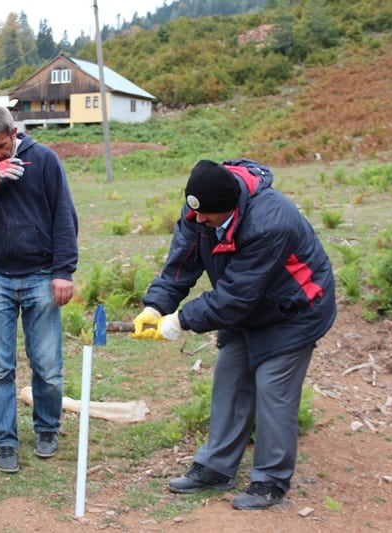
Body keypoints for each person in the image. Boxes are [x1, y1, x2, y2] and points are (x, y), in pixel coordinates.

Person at [132, 158, 337, 510]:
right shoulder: (200, 208)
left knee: (273, 389)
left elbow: (235, 297)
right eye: (192, 212)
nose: (196, 220)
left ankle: (270, 481)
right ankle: (215, 467)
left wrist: (180, 321)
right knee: (229, 377)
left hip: (296, 309)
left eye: (205, 216)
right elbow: (183, 261)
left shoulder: (271, 221)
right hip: (249, 306)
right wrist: (156, 305)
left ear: (229, 208)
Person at [0, 106, 79, 473]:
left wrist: (63, 271)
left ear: (14, 132)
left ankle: (47, 428)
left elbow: (64, 217)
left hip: (41, 274)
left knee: (48, 365)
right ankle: (4, 440)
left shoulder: (45, 160)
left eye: (0, 147)